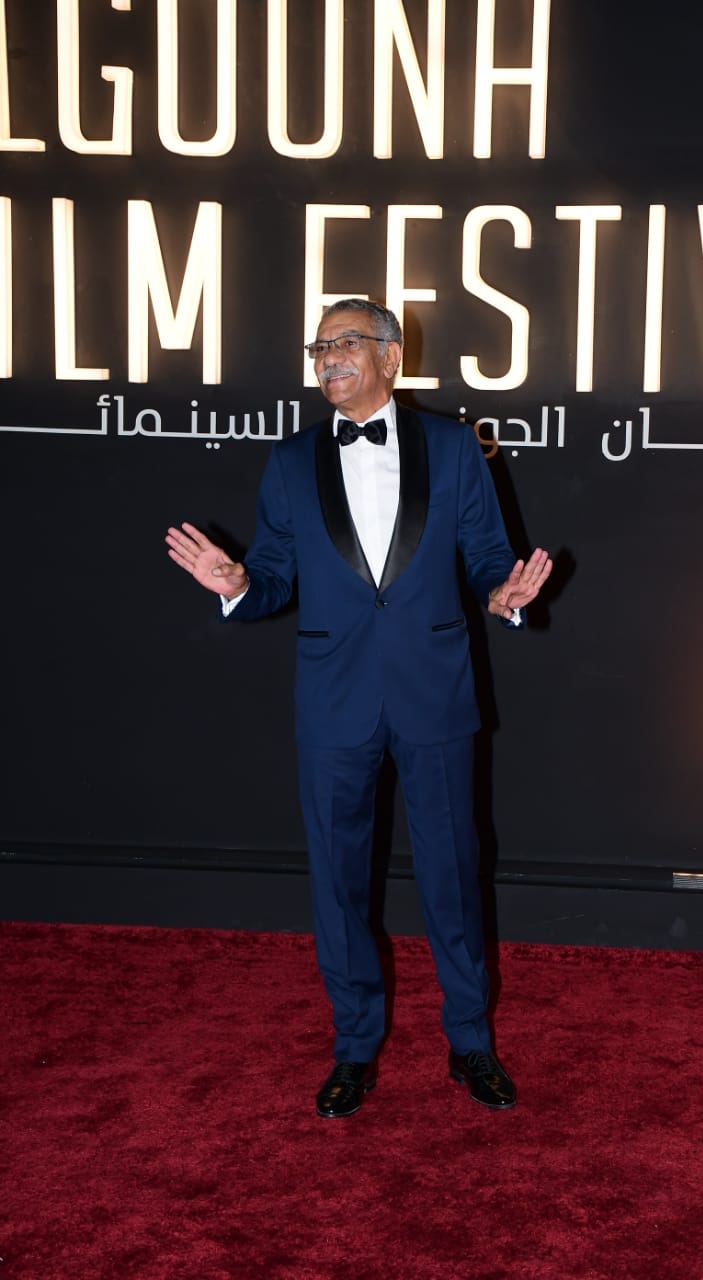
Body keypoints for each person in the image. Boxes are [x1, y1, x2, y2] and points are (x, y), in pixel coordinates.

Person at [166, 299, 552, 1118]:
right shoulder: (289, 460)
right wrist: (238, 585)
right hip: (332, 698)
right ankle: (353, 1048)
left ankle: (470, 1043)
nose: (327, 358)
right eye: (318, 347)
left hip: (434, 693)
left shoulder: (453, 447)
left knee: (451, 875)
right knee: (337, 883)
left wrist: (502, 595)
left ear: (390, 355)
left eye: (343, 342)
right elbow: (273, 574)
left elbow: (487, 555)